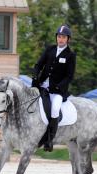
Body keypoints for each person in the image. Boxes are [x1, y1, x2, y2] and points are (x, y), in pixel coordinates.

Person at [32, 24, 76, 152]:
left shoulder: (70, 55)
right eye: (59, 36)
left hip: (57, 91)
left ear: (68, 39)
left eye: (63, 37)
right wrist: (36, 74)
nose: (60, 39)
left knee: (55, 110)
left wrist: (58, 86)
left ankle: (49, 140)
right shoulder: (50, 49)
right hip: (41, 86)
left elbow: (69, 76)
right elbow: (39, 64)